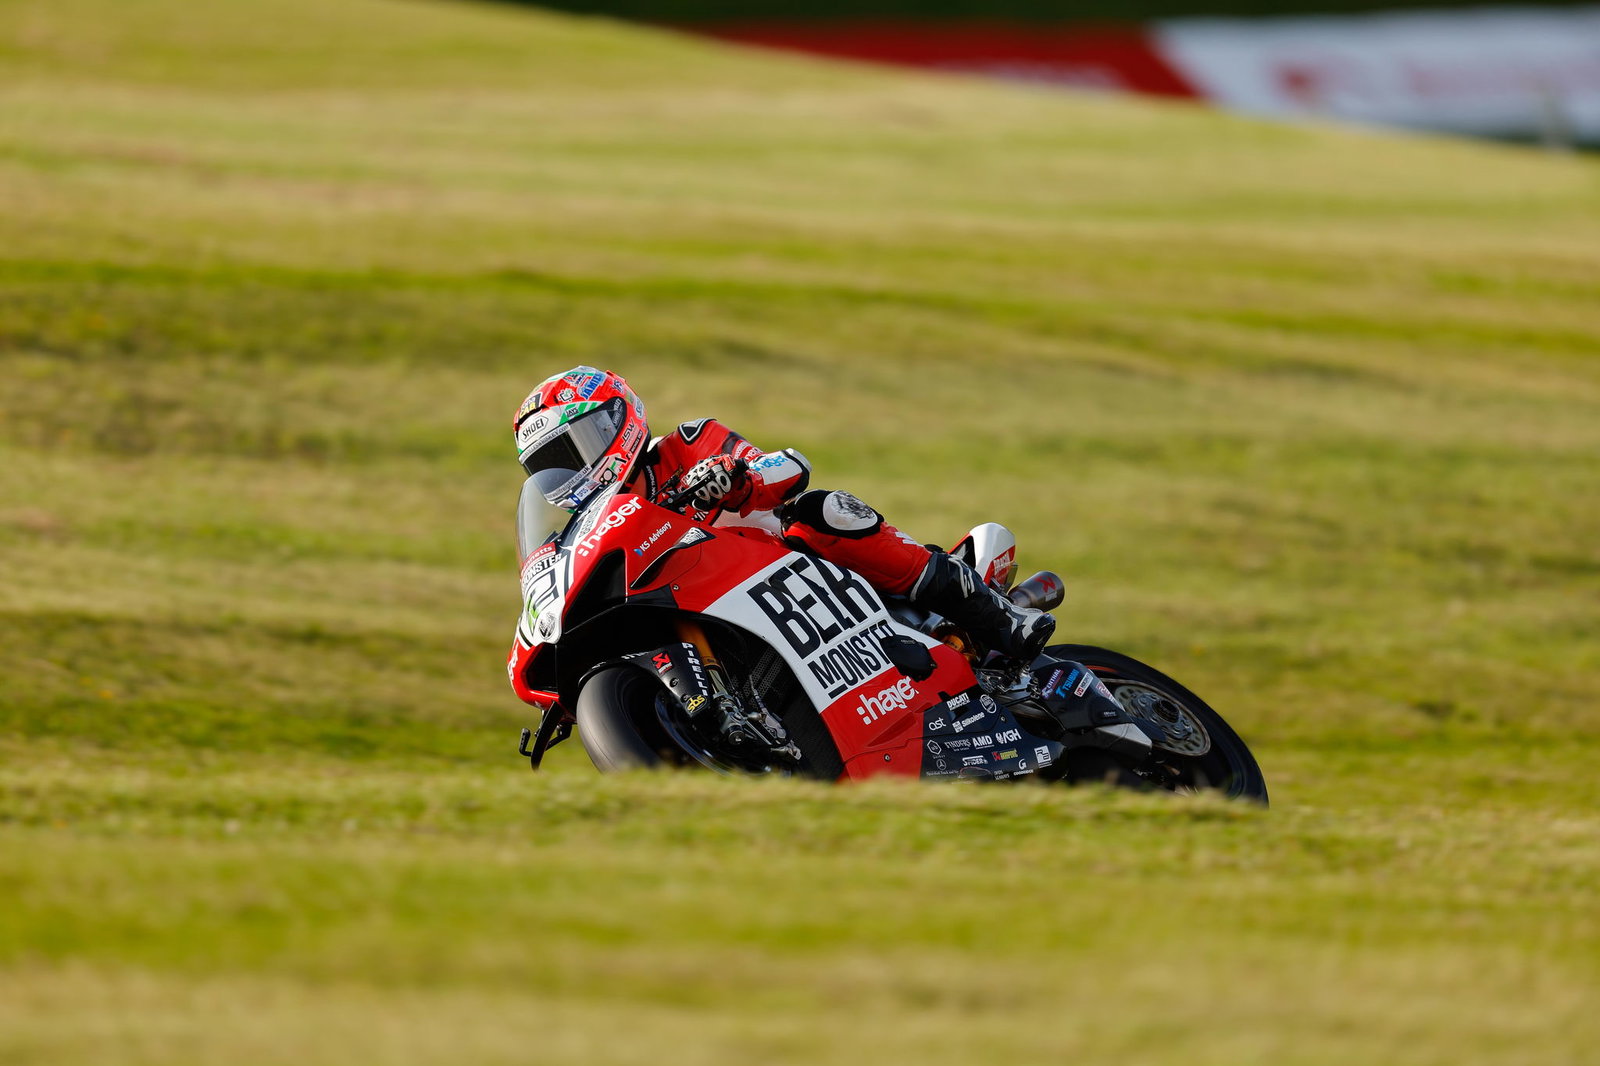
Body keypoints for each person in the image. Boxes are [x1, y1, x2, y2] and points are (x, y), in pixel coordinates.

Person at [511, 365, 1054, 662]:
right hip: (715, 610)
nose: (570, 471)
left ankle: (995, 614)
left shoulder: (687, 443)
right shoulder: (586, 534)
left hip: (791, 571)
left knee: (822, 512)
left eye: (576, 448)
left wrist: (735, 478)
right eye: (551, 465)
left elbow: (788, 466)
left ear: (617, 420)